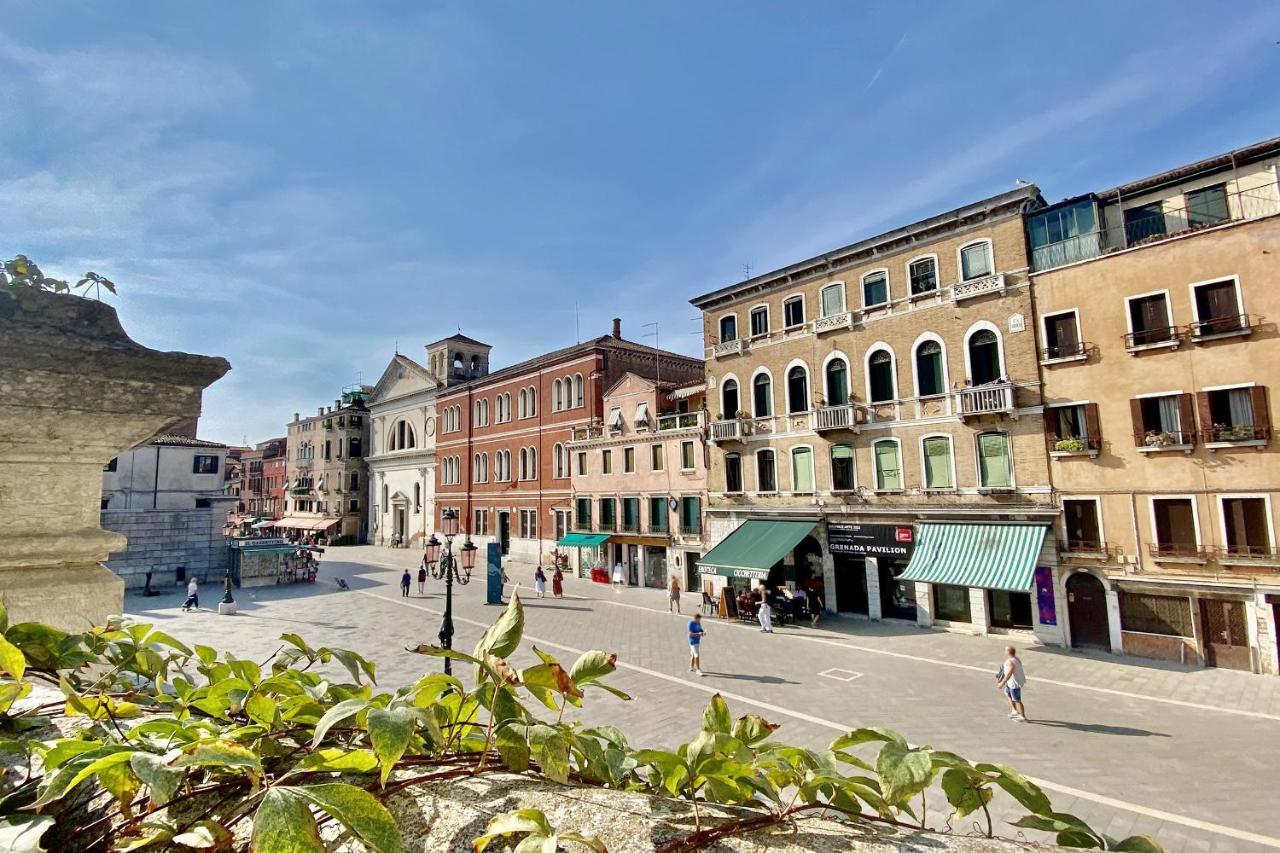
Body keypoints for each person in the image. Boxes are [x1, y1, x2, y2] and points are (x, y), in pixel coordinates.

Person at [996, 646, 1028, 721]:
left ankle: (1022, 716)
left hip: (1014, 684)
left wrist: (1002, 683)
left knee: (1017, 699)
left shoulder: (1011, 662)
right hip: (1010, 683)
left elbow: (1009, 674)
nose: (1004, 651)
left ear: (1008, 652)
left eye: (1005, 650)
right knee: (1007, 693)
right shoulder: (1016, 659)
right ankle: (1014, 711)